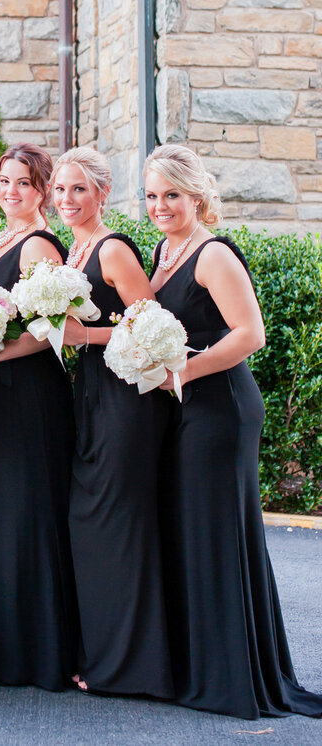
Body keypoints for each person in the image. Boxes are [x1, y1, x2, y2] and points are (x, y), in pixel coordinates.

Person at [146, 144, 322, 720]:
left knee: (216, 535)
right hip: (184, 405)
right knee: (192, 532)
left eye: (172, 194)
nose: (161, 206)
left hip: (219, 406)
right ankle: (204, 665)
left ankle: (232, 678)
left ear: (196, 195)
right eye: (151, 196)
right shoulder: (163, 252)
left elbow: (251, 334)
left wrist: (183, 371)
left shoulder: (212, 254)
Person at [53, 147, 172, 700]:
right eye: (60, 190)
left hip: (126, 401)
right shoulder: (73, 252)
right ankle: (105, 654)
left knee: (117, 524)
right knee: (92, 524)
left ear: (102, 193)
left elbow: (152, 325)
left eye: (79, 189)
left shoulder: (113, 249)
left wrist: (88, 337)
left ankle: (130, 668)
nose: (68, 200)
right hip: (91, 396)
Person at [0, 144, 78, 690]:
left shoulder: (39, 244)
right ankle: (12, 645)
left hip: (31, 393)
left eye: (23, 183)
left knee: (30, 510)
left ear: (41, 190)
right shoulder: (2, 240)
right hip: (0, 391)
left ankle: (41, 654)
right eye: (4, 181)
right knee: (9, 509)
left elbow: (49, 332)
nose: (11, 191)